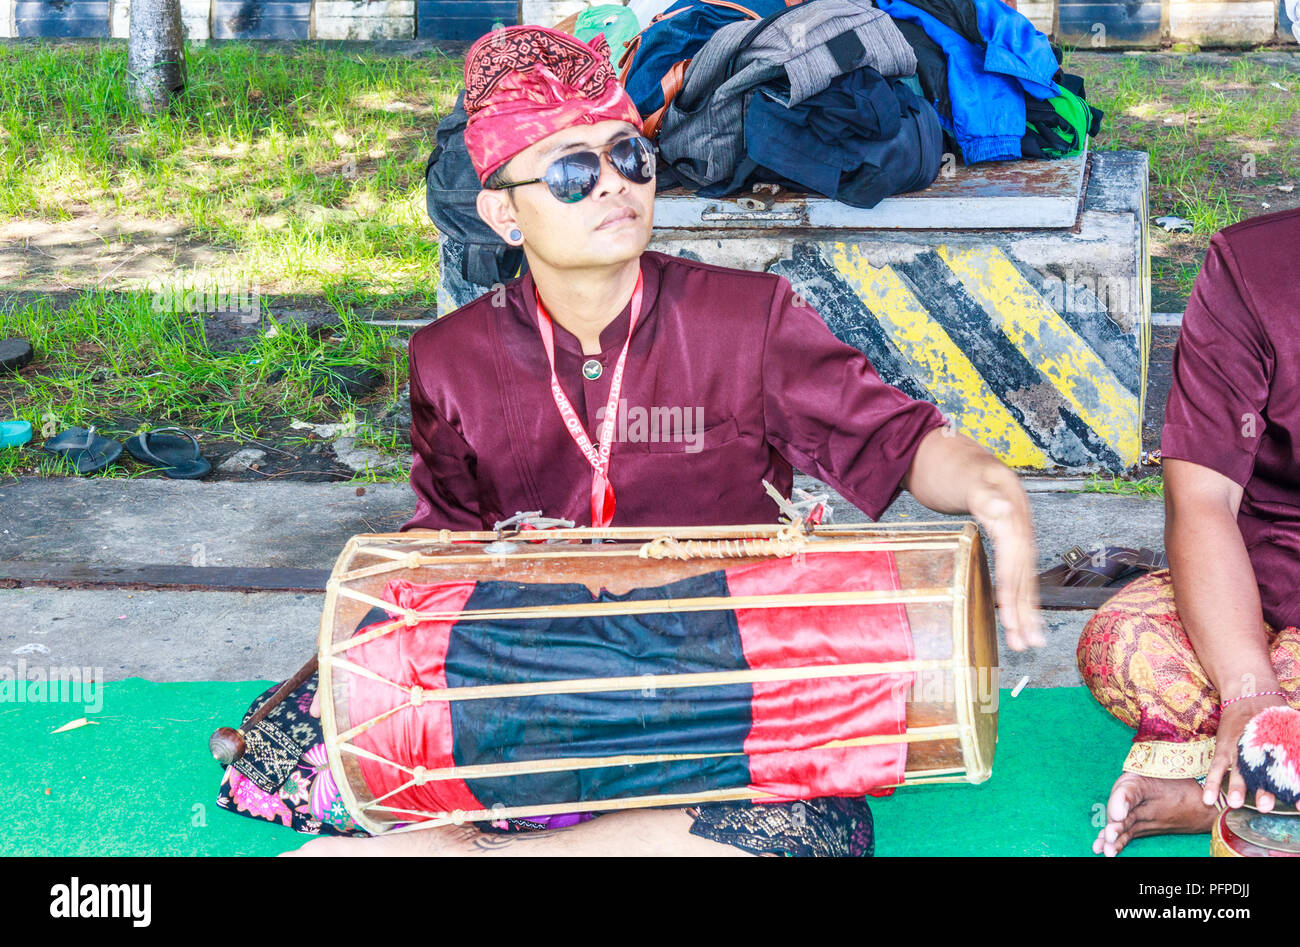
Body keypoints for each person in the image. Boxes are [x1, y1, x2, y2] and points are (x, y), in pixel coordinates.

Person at [218, 24, 1043, 857]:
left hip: (710, 669)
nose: (614, 183)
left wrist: (991, 491)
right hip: (539, 671)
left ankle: (480, 846)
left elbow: (899, 442)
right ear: (505, 212)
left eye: (630, 157)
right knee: (314, 737)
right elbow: (442, 555)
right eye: (575, 172)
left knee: (817, 828)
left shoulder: (748, 319)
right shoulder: (449, 359)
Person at [1078, 207, 1300, 856]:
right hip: (1255, 586)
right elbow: (1200, 497)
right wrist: (1250, 689)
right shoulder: (1253, 269)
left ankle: (1212, 792)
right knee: (1120, 640)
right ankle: (1261, 769)